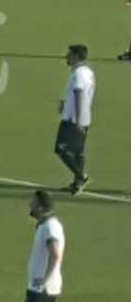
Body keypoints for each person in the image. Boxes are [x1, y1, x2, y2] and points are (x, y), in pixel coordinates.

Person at [55, 44, 95, 195]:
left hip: (73, 119)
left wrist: (77, 120)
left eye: (70, 54)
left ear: (77, 57)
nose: (67, 56)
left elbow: (79, 94)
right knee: (78, 152)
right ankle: (77, 184)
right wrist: (65, 103)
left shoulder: (78, 74)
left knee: (62, 149)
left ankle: (81, 177)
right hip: (84, 117)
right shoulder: (87, 72)